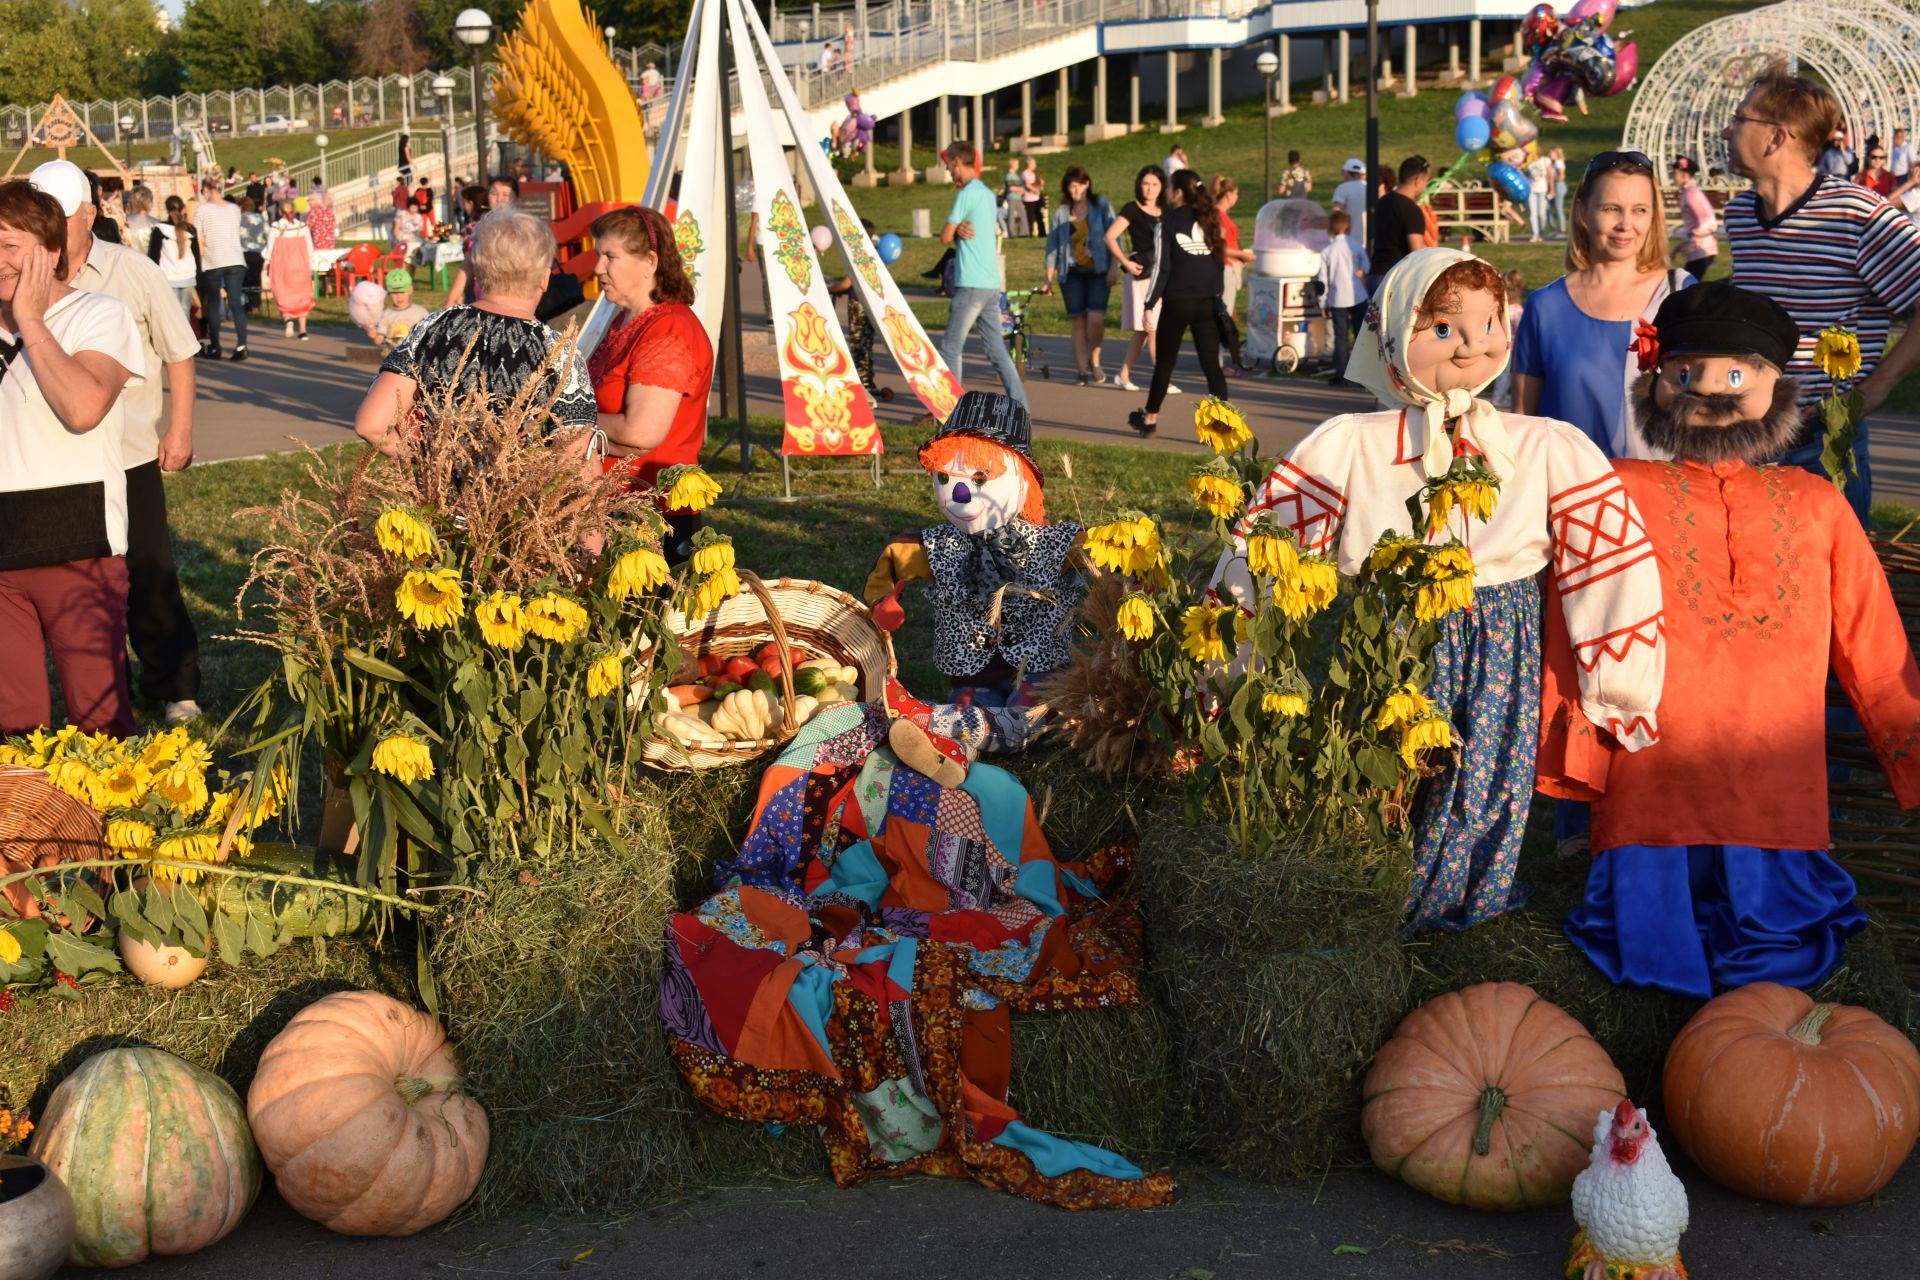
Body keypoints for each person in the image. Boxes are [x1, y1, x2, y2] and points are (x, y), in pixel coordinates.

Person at [1218, 249, 1665, 932]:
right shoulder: (1349, 445)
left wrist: (1618, 680)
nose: (1470, 348)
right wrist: (1229, 657)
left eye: (1489, 326)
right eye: (1444, 329)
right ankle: (1374, 881)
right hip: (1386, 633)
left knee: (1487, 770)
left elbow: (1607, 557)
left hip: (1499, 638)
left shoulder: (1544, 446)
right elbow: (1269, 549)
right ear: (1394, 335)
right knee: (1381, 761)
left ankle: (1467, 884)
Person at [1542, 282, 1920, 998]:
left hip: (1776, 784)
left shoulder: (1817, 504)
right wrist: (1577, 758)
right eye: (1688, 374)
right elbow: (1574, 628)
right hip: (1653, 779)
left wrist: (1910, 751)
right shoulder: (1614, 491)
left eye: (1737, 374)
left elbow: (1873, 641)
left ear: (1778, 389)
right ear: (1656, 386)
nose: (1712, 390)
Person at [28, 161, 204, 725]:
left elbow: (178, 349)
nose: (51, 229)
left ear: (89, 214)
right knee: (84, 581)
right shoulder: (21, 279)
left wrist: (179, 428)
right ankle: (106, 687)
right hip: (57, 463)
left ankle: (173, 682)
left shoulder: (133, 272)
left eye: (61, 217)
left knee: (149, 569)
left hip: (128, 452)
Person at [1721, 65, 1920, 521]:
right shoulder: (1741, 217)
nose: (1727, 130)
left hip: (1824, 444)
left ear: (1776, 137)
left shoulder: (1856, 214)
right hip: (1748, 437)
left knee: (1831, 587)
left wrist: (1875, 390)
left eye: (1740, 119)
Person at [0, 180, 145, 736]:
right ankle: (26, 824)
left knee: (99, 718)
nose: (2, 260)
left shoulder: (98, 314)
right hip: (3, 542)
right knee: (13, 723)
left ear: (53, 251)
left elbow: (83, 408)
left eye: (13, 246)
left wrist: (30, 319)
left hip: (77, 538)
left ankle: (109, 824)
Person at [354, 207, 598, 456]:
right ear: (545, 278)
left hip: (437, 491)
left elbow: (371, 425)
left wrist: (430, 463)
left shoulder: (433, 326)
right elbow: (578, 461)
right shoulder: (558, 350)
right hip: (517, 491)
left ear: (479, 270)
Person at [1512, 150, 1692, 461]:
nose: (1625, 224)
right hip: (1571, 500)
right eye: (1611, 208)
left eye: (1639, 210)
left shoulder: (1680, 295)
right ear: (1582, 212)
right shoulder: (1545, 307)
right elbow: (1524, 422)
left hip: (1663, 500)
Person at [586, 205, 715, 565]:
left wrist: (568, 424)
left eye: (610, 256)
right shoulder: (626, 320)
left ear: (649, 263)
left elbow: (642, 431)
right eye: (599, 256)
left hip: (651, 520)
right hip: (615, 508)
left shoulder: (668, 331)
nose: (598, 269)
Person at [1127, 169, 1231, 437]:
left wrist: (1150, 304)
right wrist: (1216, 295)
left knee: (1165, 363)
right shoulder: (1210, 218)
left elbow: (1162, 267)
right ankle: (1223, 427)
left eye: (1170, 188)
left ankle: (1149, 419)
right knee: (1211, 365)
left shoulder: (1168, 222)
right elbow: (1219, 261)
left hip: (1177, 303)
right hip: (1208, 301)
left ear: (1178, 192)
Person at [937, 142, 1027, 407]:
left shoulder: (966, 193)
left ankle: (949, 411)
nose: (947, 169)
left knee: (951, 347)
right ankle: (1021, 405)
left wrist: (953, 231)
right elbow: (973, 234)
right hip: (991, 284)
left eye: (948, 164)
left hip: (971, 284)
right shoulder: (987, 193)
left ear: (956, 162)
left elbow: (944, 236)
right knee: (996, 349)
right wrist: (959, 231)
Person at [1044, 163, 1117, 388]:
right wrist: (1047, 278)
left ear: (1087, 185)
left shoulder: (1101, 206)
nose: (1075, 191)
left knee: (1095, 319)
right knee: (1078, 321)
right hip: (1071, 273)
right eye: (1071, 187)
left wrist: (1114, 267)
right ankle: (1081, 371)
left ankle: (1095, 360)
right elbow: (1052, 248)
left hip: (1099, 271)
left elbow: (1116, 237)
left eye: (1079, 186)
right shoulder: (1060, 213)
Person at [1104, 164, 1172, 394]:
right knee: (1152, 327)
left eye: (1155, 184)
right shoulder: (1132, 209)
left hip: (1162, 276)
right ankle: (1162, 379)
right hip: (1141, 275)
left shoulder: (1168, 210)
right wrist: (1125, 262)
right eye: (1146, 183)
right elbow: (1110, 236)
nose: (1150, 189)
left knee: (1144, 330)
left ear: (1162, 186)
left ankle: (1123, 374)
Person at [192, 177, 246, 361]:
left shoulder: (202, 209)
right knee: (236, 303)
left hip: (213, 260)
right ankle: (242, 345)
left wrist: (199, 260)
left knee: (214, 303)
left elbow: (198, 236)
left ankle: (216, 346)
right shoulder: (234, 208)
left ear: (207, 190)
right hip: (235, 258)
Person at [446, 175, 518, 305]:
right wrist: (450, 302)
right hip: (480, 300)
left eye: (505, 194)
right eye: (494, 193)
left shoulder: (525, 231)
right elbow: (468, 265)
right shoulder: (477, 228)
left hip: (513, 302)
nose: (499, 199)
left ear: (515, 198)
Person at [1315, 205, 1368, 382]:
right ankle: (1362, 374)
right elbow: (1366, 267)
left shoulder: (1327, 251)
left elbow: (1322, 280)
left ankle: (1341, 373)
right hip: (1358, 295)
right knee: (1360, 335)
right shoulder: (1356, 246)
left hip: (1337, 298)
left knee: (1340, 337)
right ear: (1349, 226)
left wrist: (1322, 302)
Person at [1367, 156, 1429, 292]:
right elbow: (1417, 252)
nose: (1426, 186)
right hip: (1398, 278)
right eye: (1426, 181)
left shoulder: (1382, 202)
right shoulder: (1411, 210)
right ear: (1418, 180)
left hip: (1376, 274)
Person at [1212, 174, 1255, 335]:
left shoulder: (1221, 215)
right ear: (1229, 195)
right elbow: (1219, 247)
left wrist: (1239, 255)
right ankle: (1219, 354)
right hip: (1223, 266)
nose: (1237, 198)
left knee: (1224, 312)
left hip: (1228, 264)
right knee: (1224, 313)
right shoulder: (1218, 215)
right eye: (1236, 194)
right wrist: (1241, 255)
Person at [266, 198, 314, 340]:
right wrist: (311, 265)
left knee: (283, 294)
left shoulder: (276, 227)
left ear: (280, 211)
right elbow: (310, 248)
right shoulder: (302, 227)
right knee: (302, 296)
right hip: (300, 265)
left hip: (282, 266)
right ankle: (303, 330)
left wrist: (267, 261)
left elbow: (269, 249)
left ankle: (288, 319)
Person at [148, 194, 201, 322]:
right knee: (185, 310)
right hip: (188, 275)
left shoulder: (160, 229)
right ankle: (186, 339)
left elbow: (153, 255)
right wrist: (199, 274)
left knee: (172, 312)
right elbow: (196, 253)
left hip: (168, 275)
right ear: (183, 208)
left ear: (166, 209)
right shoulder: (190, 229)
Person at [1669, 156, 1717, 278]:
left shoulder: (1691, 193)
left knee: (1687, 286)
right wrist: (1677, 249)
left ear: (1684, 175)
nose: (1673, 177)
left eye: (1675, 174)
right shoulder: (1687, 192)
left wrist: (1694, 238)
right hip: (1698, 249)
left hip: (1701, 249)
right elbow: (1693, 226)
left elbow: (1707, 219)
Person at [364, 268, 428, 346]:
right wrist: (374, 335)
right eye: (394, 293)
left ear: (410, 290)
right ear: (388, 294)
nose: (399, 296)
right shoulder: (385, 315)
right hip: (393, 354)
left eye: (402, 292)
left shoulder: (420, 313)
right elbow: (378, 341)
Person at [237, 195, 269, 314]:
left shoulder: (238, 219)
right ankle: (256, 304)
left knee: (244, 279)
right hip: (257, 253)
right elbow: (268, 234)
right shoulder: (260, 218)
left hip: (242, 252)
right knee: (256, 278)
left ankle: (245, 304)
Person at [1331, 156, 1370, 246]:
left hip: (1349, 241)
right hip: (1369, 240)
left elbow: (1336, 213)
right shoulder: (1370, 187)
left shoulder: (1342, 188)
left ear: (1346, 173)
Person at [1526, 148, 1552, 241]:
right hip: (1531, 189)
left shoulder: (1545, 160)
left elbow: (1550, 175)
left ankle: (1542, 232)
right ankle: (1535, 234)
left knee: (1542, 213)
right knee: (1533, 213)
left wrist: (1551, 189)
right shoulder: (1528, 162)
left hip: (1543, 189)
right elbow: (1525, 175)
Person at [1001, 156, 1028, 238]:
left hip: (1018, 198)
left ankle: (1024, 233)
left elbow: (1018, 187)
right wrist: (1021, 189)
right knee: (1011, 216)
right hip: (1012, 198)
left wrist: (1021, 190)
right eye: (1016, 164)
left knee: (1022, 215)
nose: (1018, 166)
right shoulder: (1009, 176)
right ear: (1012, 165)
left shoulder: (1016, 176)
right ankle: (1012, 234)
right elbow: (1011, 187)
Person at [306, 182, 336, 250]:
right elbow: (334, 225)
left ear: (315, 201)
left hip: (319, 242)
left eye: (310, 201)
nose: (309, 203)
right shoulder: (328, 211)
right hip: (330, 241)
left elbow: (307, 227)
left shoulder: (313, 212)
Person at [1021, 159, 1045, 238]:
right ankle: (1029, 234)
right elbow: (1028, 185)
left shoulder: (1033, 174)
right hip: (1029, 199)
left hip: (1036, 198)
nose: (1035, 165)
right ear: (1029, 164)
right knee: (1030, 217)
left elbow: (1036, 184)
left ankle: (1042, 233)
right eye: (1034, 164)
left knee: (1039, 216)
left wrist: (1040, 184)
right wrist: (1036, 190)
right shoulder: (1025, 173)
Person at [1549, 145, 1568, 234]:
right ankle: (1553, 228)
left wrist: (1551, 179)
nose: (1549, 154)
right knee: (1548, 207)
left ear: (1556, 153)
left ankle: (1562, 229)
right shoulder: (1553, 163)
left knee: (1558, 207)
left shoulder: (1558, 162)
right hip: (1554, 185)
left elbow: (1561, 176)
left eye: (1551, 152)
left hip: (1558, 186)